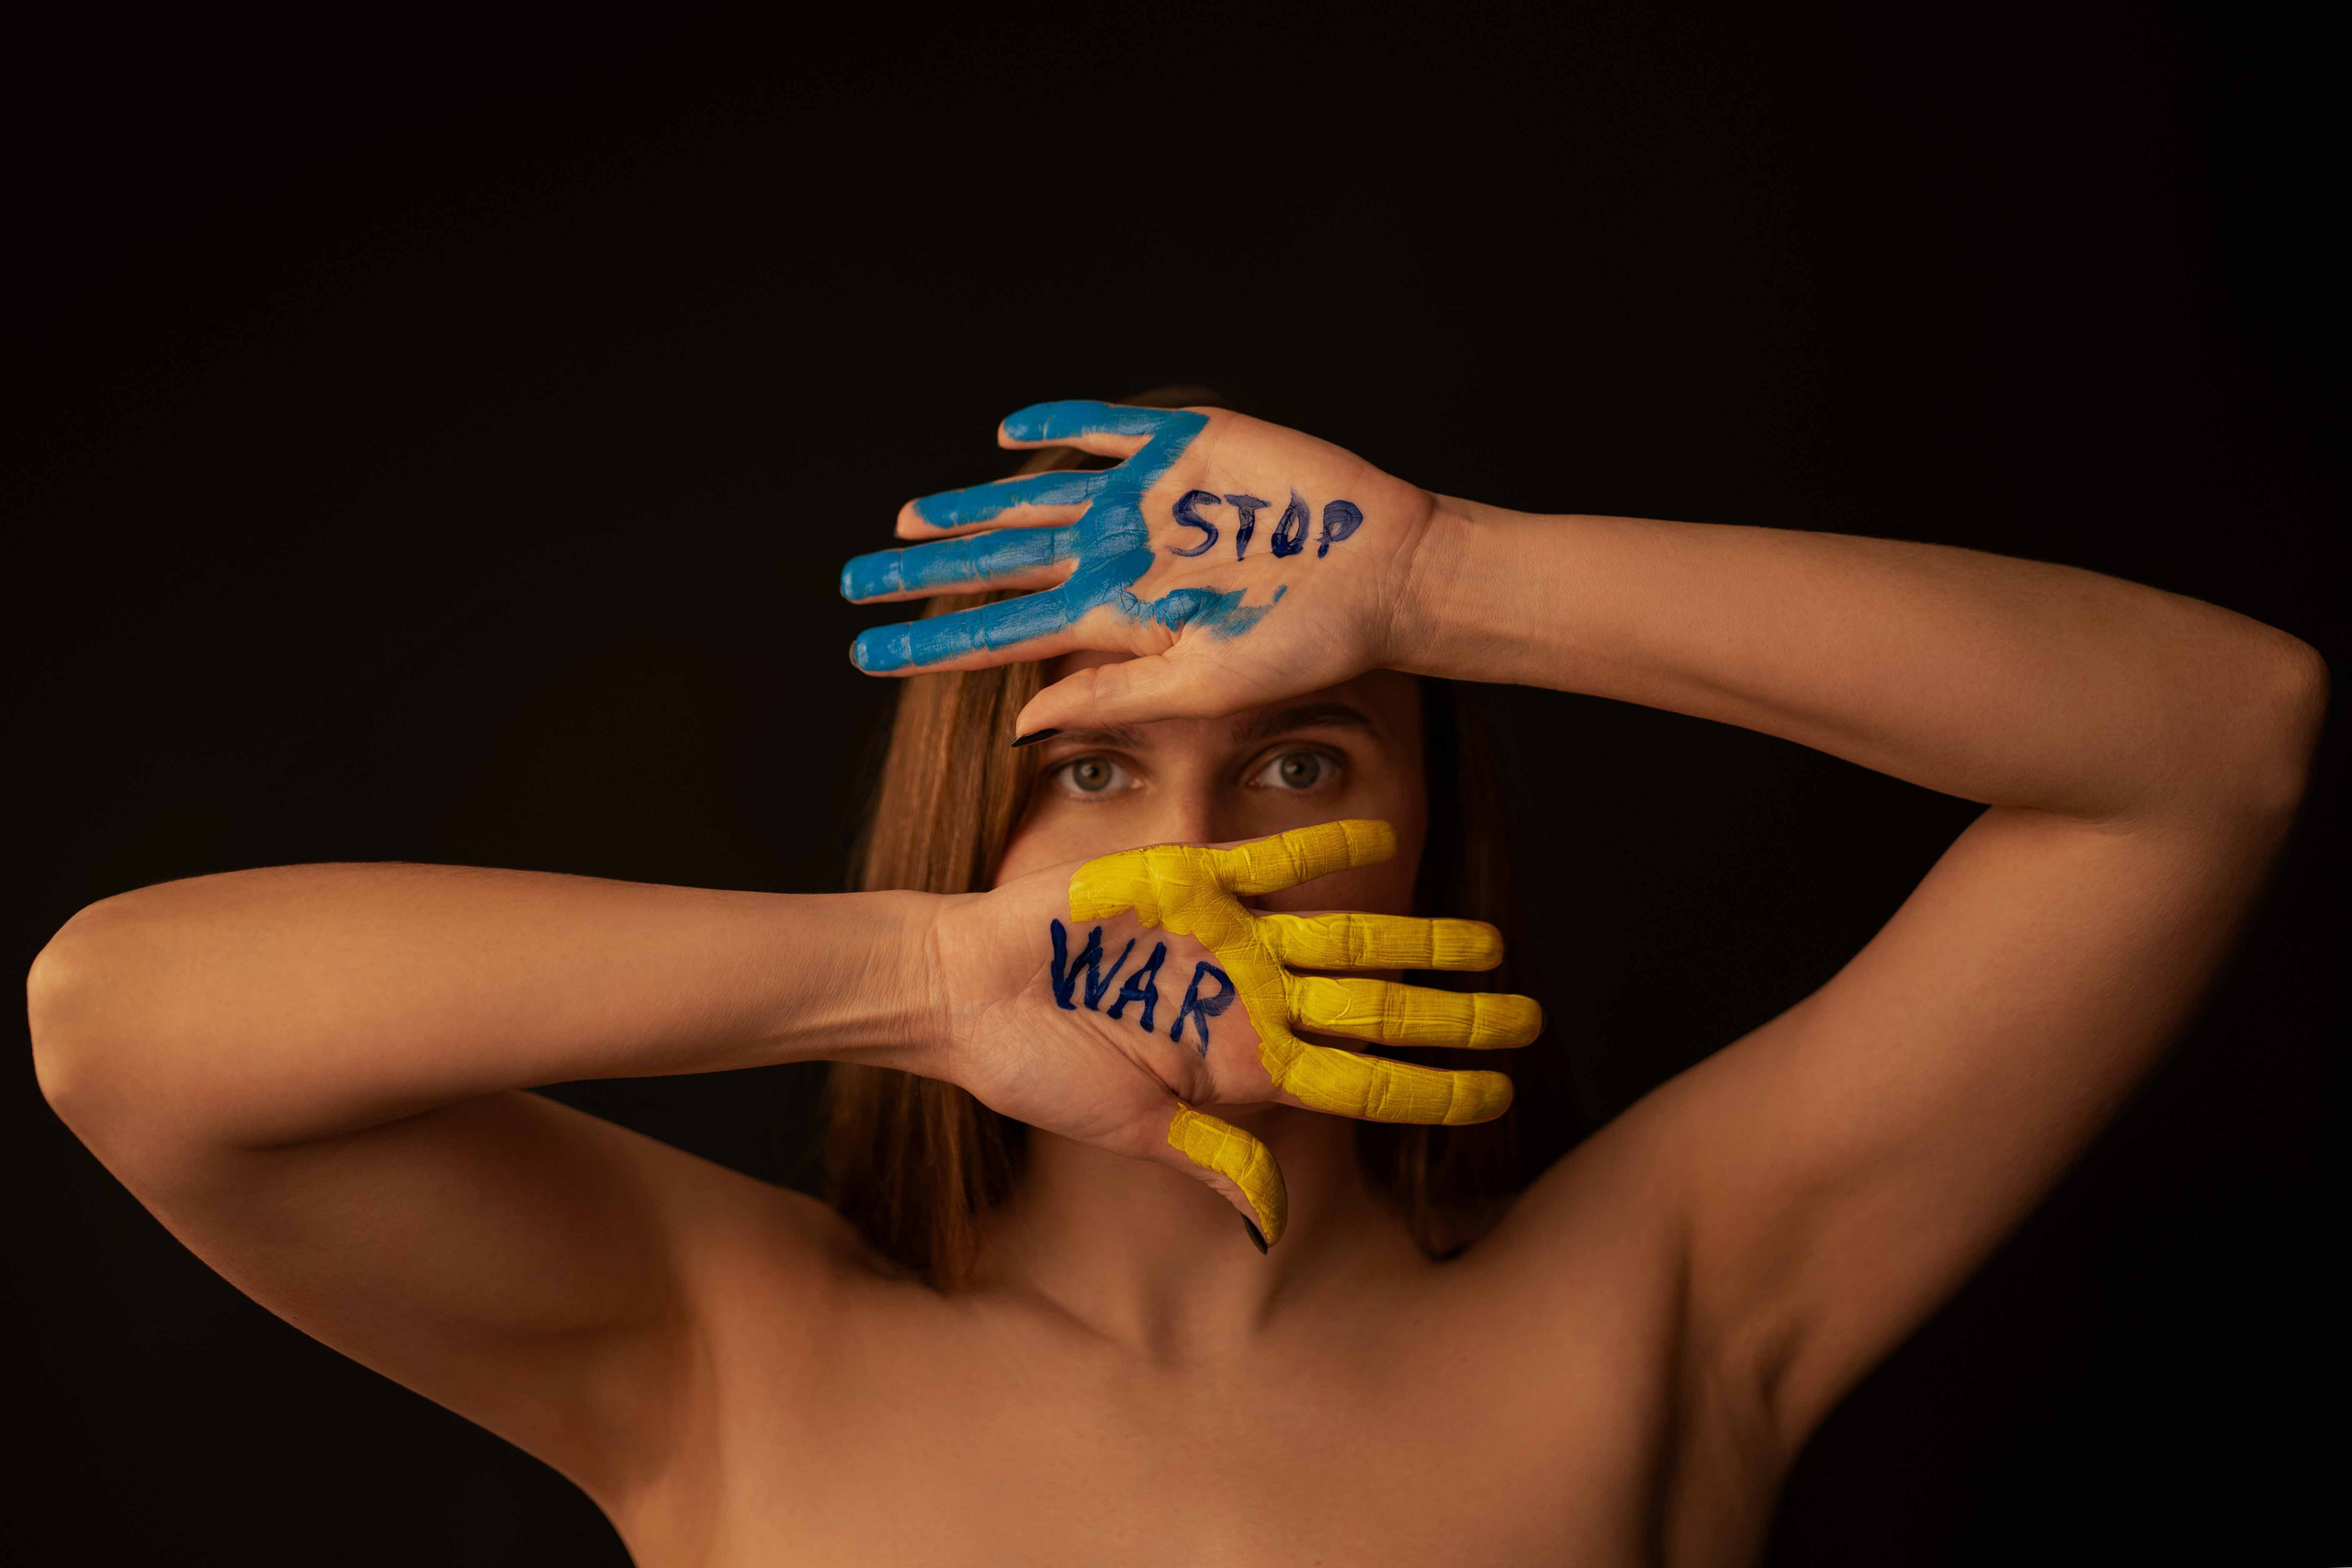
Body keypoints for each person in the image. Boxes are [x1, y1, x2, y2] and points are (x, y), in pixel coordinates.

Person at [28, 393, 2324, 1565]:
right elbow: (124, 1022)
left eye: (1301, 754)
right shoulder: (716, 1344)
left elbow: (2207, 746)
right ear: (973, 823)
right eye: (1094, 763)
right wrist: (922, 977)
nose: (1196, 855)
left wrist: (1449, 577)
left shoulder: (1668, 1294)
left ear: (1427, 826)